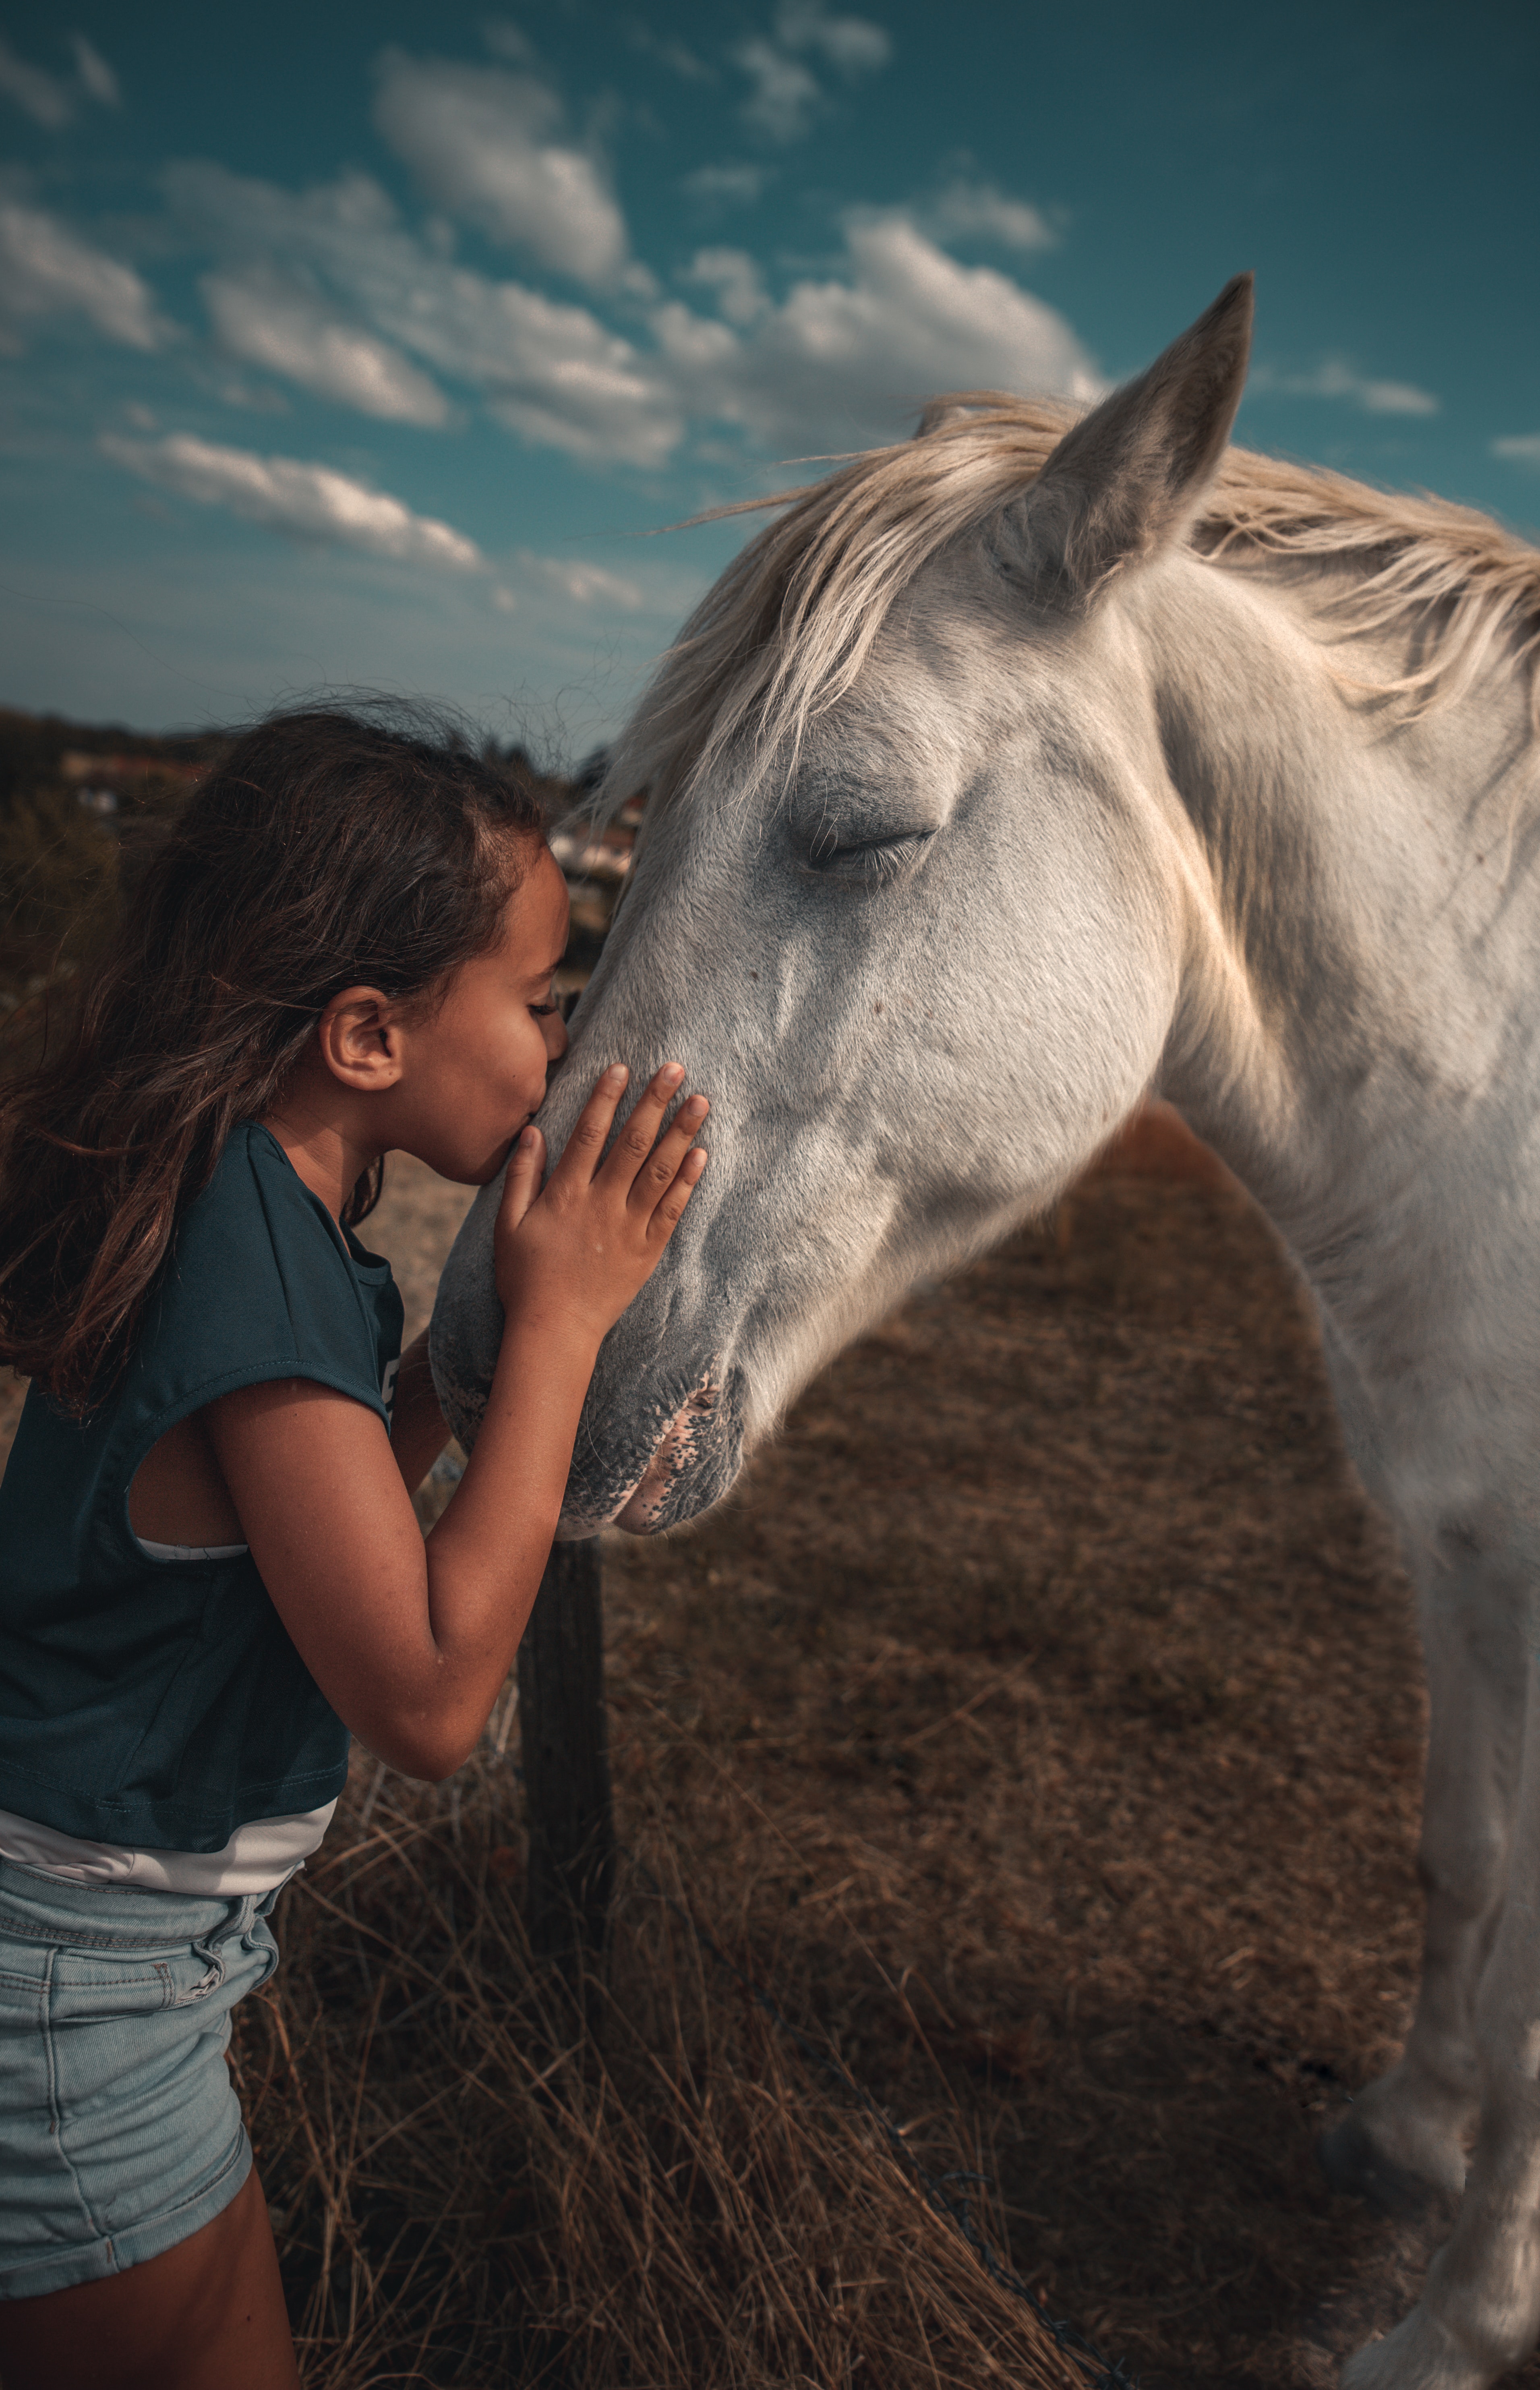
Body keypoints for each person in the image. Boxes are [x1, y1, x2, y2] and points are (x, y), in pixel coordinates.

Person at [0, 705, 707, 2389]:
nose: (558, 1042)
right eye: (538, 1001)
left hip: (111, 1966)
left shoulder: (255, 1201)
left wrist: (435, 1393)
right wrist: (556, 1324)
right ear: (370, 1033)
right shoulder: (251, 1260)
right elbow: (427, 1694)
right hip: (66, 1999)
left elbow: (290, 1537)